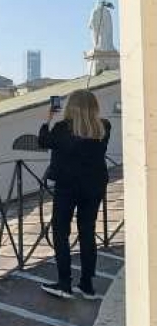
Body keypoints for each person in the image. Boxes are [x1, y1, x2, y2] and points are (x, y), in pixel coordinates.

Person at [38, 89, 112, 300]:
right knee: (87, 233)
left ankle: (64, 284)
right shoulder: (104, 127)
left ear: (71, 107)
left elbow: (43, 141)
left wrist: (48, 118)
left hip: (67, 186)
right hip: (94, 186)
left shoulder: (62, 129)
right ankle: (87, 286)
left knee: (61, 233)